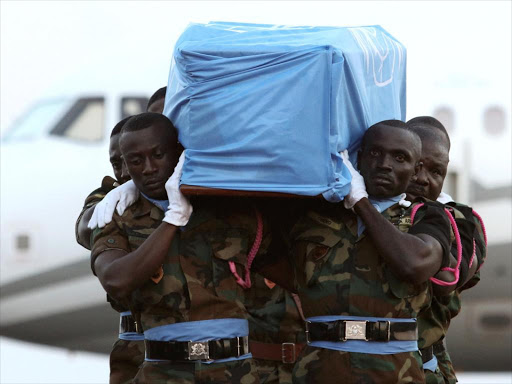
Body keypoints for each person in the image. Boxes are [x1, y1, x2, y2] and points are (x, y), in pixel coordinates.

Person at [90, 112, 261, 384]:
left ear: (179, 153)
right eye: (136, 161)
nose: (148, 168)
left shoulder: (225, 208)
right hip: (163, 372)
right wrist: (174, 219)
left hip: (235, 373)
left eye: (158, 155)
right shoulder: (115, 215)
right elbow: (116, 280)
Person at [288, 120, 453, 383]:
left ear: (414, 171)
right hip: (320, 370)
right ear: (359, 159)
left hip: (393, 371)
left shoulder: (430, 217)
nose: (385, 164)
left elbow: (413, 264)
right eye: (376, 153)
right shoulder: (317, 215)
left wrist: (361, 202)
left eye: (400, 157)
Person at [406, 116, 487, 384]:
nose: (422, 179)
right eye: (415, 165)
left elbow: (448, 279)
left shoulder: (463, 222)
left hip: (425, 366)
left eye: (436, 172)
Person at [75, 116, 145, 384]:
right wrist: (120, 198)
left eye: (132, 161)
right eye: (118, 163)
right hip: (134, 351)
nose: (126, 172)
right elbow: (85, 227)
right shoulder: (109, 194)